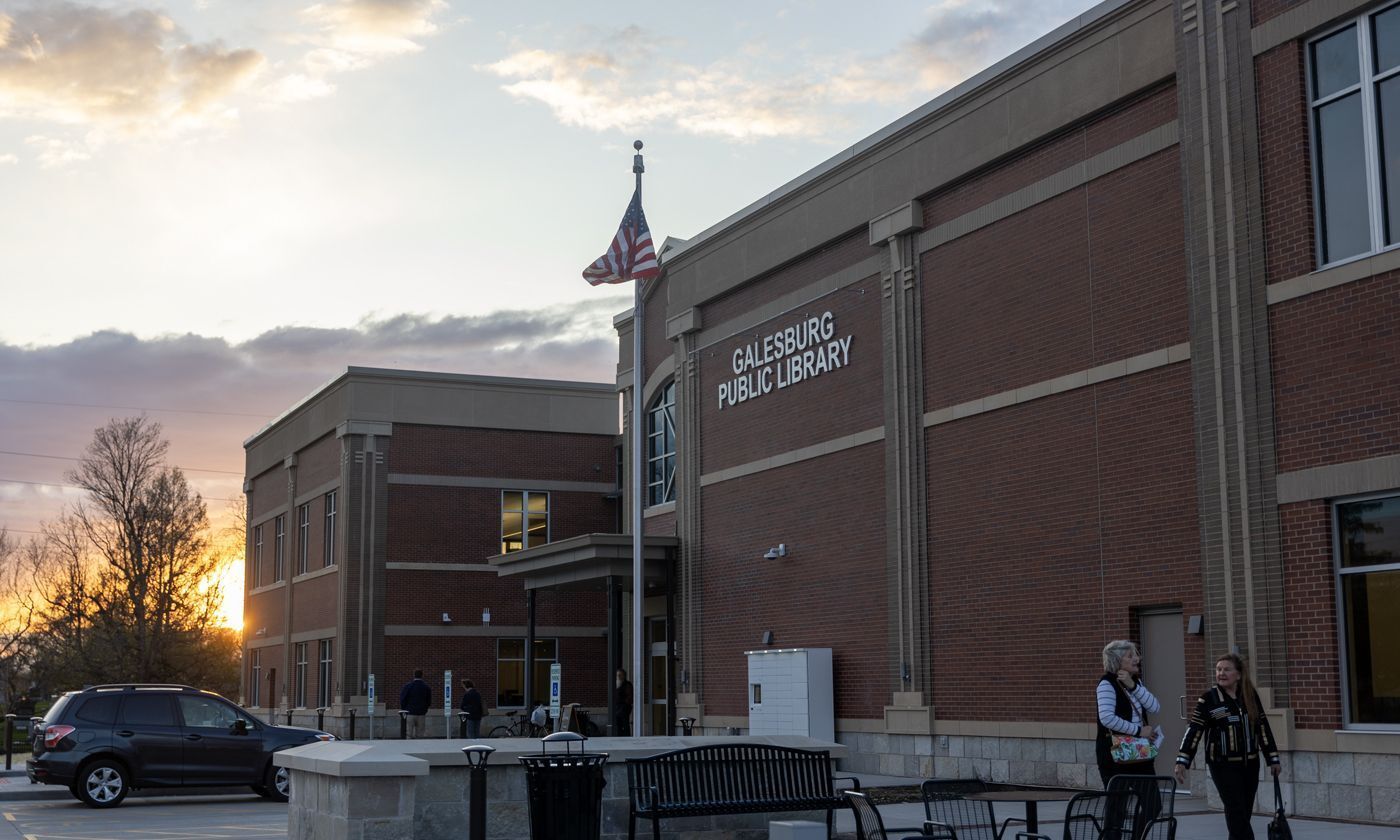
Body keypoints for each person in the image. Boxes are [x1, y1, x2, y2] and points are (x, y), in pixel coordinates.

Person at [1175, 653, 1282, 840]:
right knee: (1236, 810)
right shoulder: (1208, 699)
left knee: (1243, 813)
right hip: (1222, 765)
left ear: (1238, 674)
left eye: (1226, 669)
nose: (1221, 673)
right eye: (1218, 669)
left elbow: (1262, 728)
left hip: (1250, 765)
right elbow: (1194, 730)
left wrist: (1272, 758)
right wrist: (1182, 760)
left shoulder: (1250, 696)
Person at [1095, 639, 1161, 787]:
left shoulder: (1135, 682)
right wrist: (1139, 731)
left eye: (1136, 655)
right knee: (1118, 803)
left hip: (1140, 752)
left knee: (1152, 802)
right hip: (1115, 753)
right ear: (1117, 660)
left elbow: (1155, 707)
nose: (1137, 659)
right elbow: (1107, 718)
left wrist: (1133, 686)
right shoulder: (1107, 684)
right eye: (1130, 656)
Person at [399, 669, 431, 738]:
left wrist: (404, 709)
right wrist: (425, 709)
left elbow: (403, 699)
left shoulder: (408, 686)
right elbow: (429, 701)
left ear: (414, 675)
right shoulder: (426, 687)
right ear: (422, 675)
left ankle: (409, 748)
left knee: (408, 734)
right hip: (421, 713)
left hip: (409, 713)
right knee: (420, 735)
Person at [614, 669, 633, 735]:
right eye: (617, 675)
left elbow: (629, 697)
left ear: (624, 676)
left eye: (620, 675)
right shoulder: (615, 684)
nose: (618, 677)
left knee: (625, 725)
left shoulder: (627, 684)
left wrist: (624, 705)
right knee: (617, 725)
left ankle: (627, 737)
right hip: (616, 708)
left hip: (624, 708)